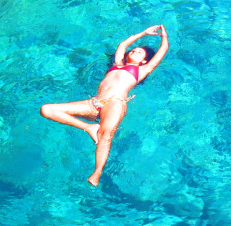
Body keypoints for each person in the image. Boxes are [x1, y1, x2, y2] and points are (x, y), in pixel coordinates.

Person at [40, 25, 169, 186]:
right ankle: (88, 127)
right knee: (47, 109)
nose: (134, 50)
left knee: (106, 135)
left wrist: (164, 37)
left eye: (139, 52)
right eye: (134, 49)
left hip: (115, 104)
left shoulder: (142, 70)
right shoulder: (116, 64)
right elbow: (122, 45)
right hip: (93, 103)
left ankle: (97, 172)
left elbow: (162, 51)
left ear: (144, 60)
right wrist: (143, 33)